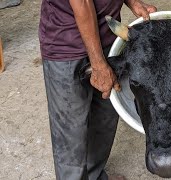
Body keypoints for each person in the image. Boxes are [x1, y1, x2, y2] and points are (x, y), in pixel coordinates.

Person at [38, 0, 156, 180]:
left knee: (105, 119)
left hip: (108, 37)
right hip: (66, 44)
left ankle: (94, 176)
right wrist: (99, 64)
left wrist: (132, 2)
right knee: (71, 136)